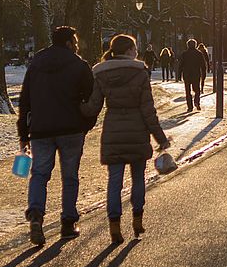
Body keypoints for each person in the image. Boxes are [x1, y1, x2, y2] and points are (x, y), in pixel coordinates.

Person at [80, 34, 169, 244]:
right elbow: (149, 110)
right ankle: (137, 220)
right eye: (135, 48)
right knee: (138, 178)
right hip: (137, 131)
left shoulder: (101, 74)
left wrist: (75, 106)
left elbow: (93, 107)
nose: (137, 52)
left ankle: (114, 226)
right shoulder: (140, 73)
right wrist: (160, 137)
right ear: (129, 50)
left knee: (114, 180)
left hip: (112, 131)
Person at [17, 26, 94, 246]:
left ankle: (36, 214)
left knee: (39, 174)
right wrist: (86, 124)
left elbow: (25, 100)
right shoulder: (79, 65)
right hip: (71, 129)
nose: (77, 45)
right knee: (69, 177)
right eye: (75, 41)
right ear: (69, 42)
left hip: (41, 129)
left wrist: (24, 132)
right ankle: (68, 222)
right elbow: (92, 99)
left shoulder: (36, 64)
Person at [176, 38, 206, 112]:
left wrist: (179, 75)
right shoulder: (199, 53)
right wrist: (204, 73)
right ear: (195, 45)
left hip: (187, 75)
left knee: (188, 91)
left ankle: (190, 107)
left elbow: (180, 65)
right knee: (197, 90)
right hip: (196, 74)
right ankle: (196, 102)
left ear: (187, 45)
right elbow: (203, 65)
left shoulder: (184, 54)